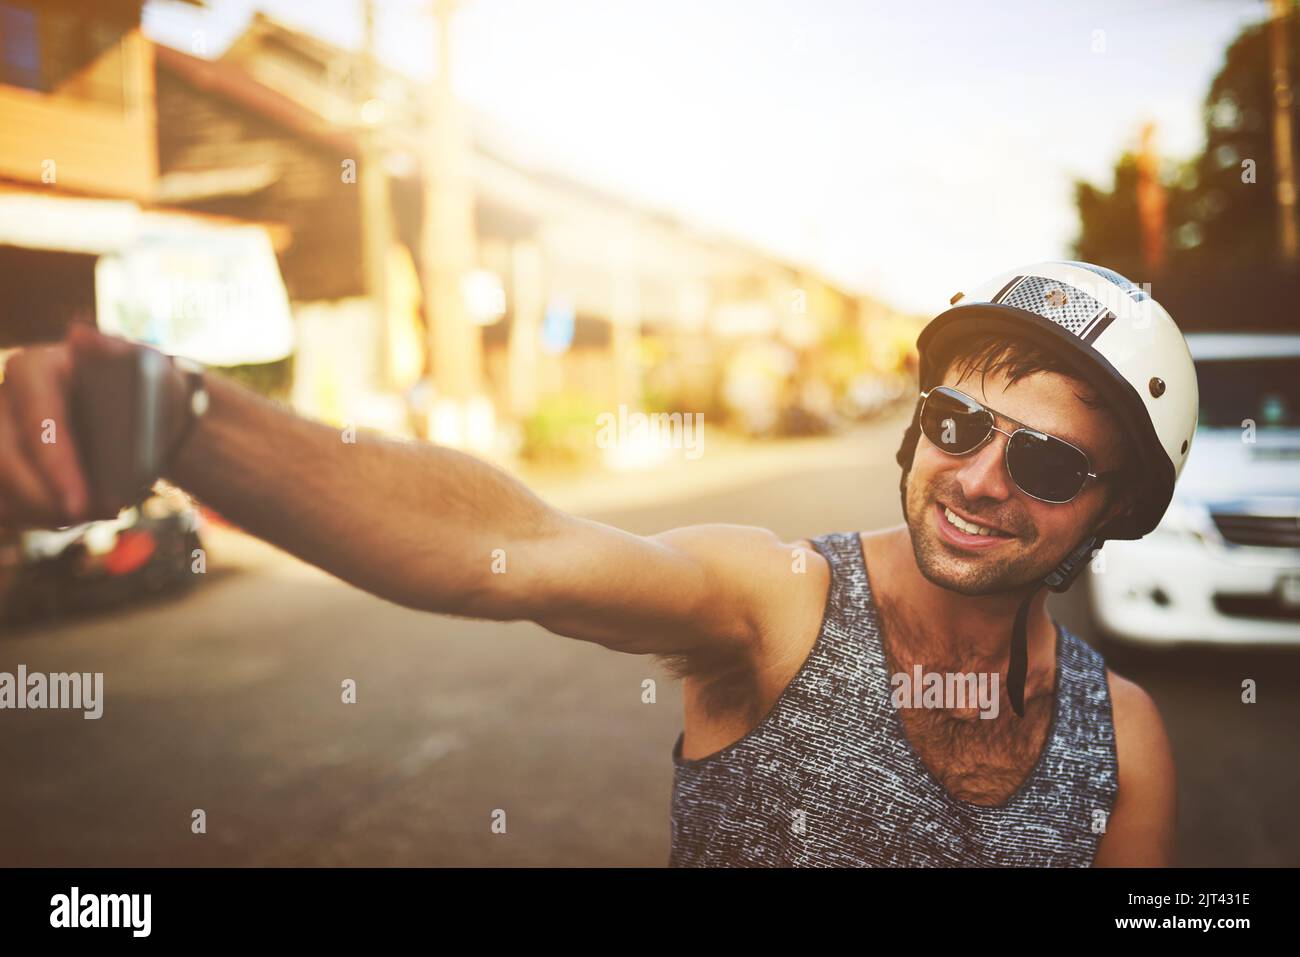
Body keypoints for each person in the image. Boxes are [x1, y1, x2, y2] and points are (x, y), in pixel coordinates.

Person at [0, 260, 1198, 867]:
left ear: (1114, 509)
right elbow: (503, 549)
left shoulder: (1121, 737)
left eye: (1045, 465)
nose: (980, 478)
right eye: (955, 424)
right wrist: (187, 421)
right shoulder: (777, 601)